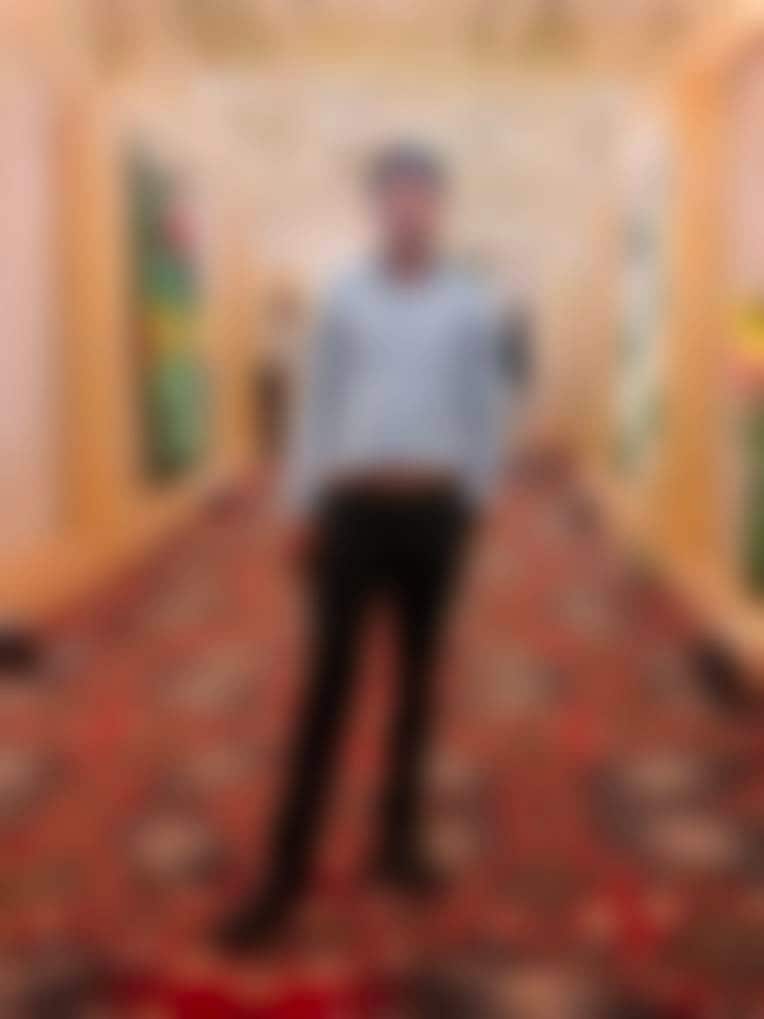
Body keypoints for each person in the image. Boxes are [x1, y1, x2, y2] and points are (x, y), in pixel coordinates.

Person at [218, 141, 505, 952]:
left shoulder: (471, 303)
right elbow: (316, 403)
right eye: (394, 195)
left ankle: (398, 844)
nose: (408, 208)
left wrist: (476, 500)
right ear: (375, 206)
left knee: (417, 683)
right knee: (327, 691)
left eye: (421, 195)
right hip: (352, 514)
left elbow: (485, 405)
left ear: (440, 206)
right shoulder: (341, 295)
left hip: (434, 514)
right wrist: (301, 506)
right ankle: (284, 874)